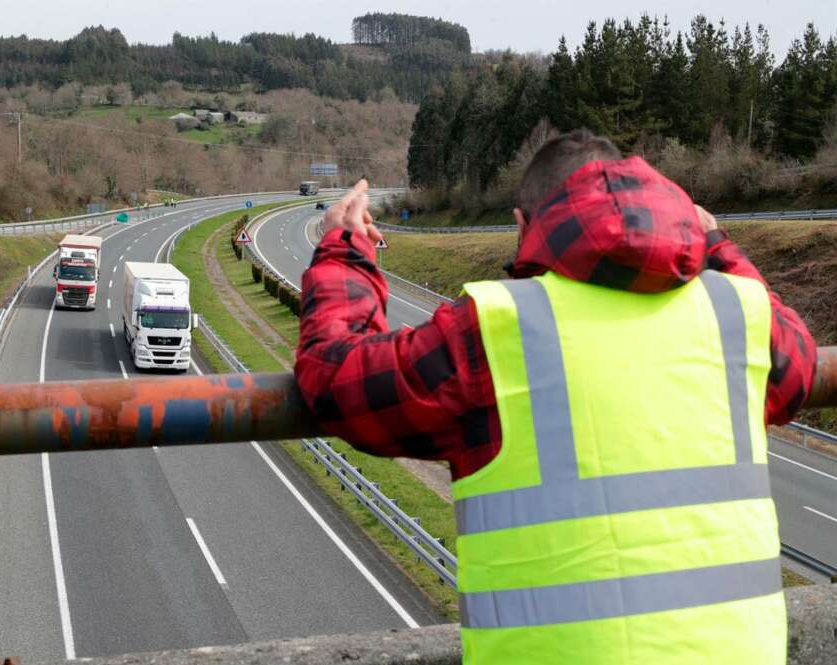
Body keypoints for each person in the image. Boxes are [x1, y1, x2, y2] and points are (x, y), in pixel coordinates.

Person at [294, 130, 817, 664]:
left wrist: (345, 248)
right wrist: (717, 245)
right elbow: (798, 367)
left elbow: (335, 380)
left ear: (523, 227)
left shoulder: (500, 330)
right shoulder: (739, 312)